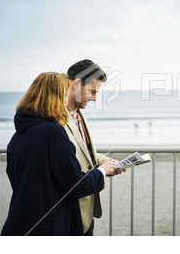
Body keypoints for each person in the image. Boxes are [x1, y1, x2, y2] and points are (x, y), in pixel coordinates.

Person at [1, 72, 116, 236]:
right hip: (47, 225)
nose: (67, 100)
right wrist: (102, 171)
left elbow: (15, 176)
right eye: (66, 94)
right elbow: (75, 184)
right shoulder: (53, 132)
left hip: (19, 221)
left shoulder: (19, 134)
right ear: (57, 97)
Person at [65, 59, 123, 236]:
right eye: (92, 91)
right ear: (76, 84)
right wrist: (101, 171)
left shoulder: (78, 115)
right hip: (70, 208)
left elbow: (82, 151)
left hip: (86, 210)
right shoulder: (57, 120)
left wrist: (106, 162)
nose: (94, 98)